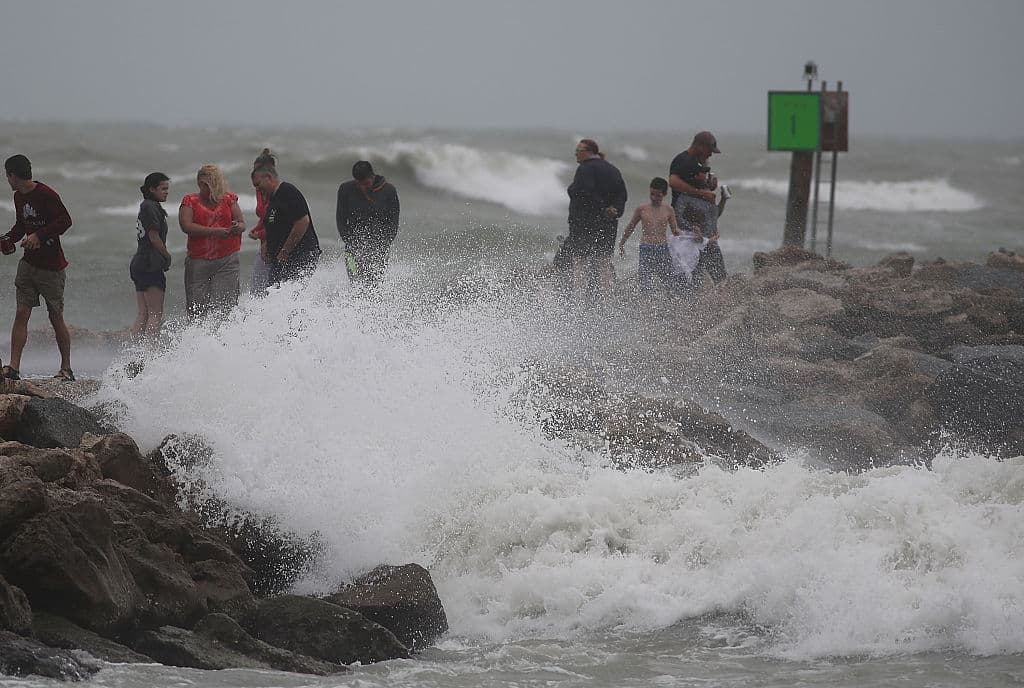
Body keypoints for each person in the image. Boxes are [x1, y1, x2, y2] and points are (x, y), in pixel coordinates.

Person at [1, 154, 74, 381]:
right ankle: (13, 368)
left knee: (55, 317)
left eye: (7, 175)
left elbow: (65, 221)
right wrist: (9, 239)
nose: (7, 179)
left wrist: (39, 236)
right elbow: (22, 225)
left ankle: (66, 368)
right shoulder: (18, 197)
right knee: (22, 312)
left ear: (13, 175)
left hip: (51, 267)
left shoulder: (45, 194)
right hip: (28, 265)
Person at [557, 139, 627, 292]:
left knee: (579, 261)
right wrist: (615, 209)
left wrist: (603, 208)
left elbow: (586, 192)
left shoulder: (585, 168)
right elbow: (622, 194)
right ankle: (605, 301)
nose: (576, 153)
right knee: (604, 262)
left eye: (579, 151)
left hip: (584, 224)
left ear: (589, 152)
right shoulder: (612, 169)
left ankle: (579, 300)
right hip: (608, 224)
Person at [178, 164, 245, 317]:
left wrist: (236, 227)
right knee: (196, 310)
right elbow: (186, 226)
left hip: (227, 260)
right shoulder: (190, 201)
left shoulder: (229, 199)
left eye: (210, 185)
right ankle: (198, 339)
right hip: (198, 261)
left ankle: (225, 339)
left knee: (227, 307)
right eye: (204, 185)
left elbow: (242, 223)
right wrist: (215, 232)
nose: (206, 188)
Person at [251, 157, 321, 285]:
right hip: (280, 260)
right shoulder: (273, 198)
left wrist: (285, 250)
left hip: (299, 255)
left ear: (268, 177)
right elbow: (275, 225)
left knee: (289, 295)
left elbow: (302, 222)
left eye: (258, 184)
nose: (257, 189)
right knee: (272, 294)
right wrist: (266, 243)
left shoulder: (287, 192)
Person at [669, 131, 727, 285]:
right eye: (709, 151)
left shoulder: (698, 164)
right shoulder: (683, 160)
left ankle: (718, 293)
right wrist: (701, 192)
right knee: (692, 272)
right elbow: (673, 181)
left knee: (716, 270)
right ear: (700, 147)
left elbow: (700, 192)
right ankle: (690, 299)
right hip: (688, 229)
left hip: (705, 228)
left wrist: (710, 186)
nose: (710, 155)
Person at [336, 160, 400, 287]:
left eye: (366, 183)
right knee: (355, 282)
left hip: (380, 249)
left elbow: (393, 223)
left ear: (372, 177)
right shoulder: (345, 190)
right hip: (352, 251)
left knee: (375, 284)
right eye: (358, 183)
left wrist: (382, 246)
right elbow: (341, 220)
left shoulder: (389, 191)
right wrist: (351, 244)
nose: (362, 187)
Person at [129, 172, 173, 344]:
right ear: (152, 189)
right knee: (155, 314)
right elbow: (154, 236)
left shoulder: (145, 205)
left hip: (139, 262)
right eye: (163, 189)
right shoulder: (151, 207)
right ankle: (149, 353)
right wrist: (166, 256)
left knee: (143, 313)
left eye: (167, 189)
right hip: (150, 264)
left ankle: (134, 351)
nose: (166, 192)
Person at [618, 177, 681, 289]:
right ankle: (645, 302)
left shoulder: (668, 209)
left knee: (668, 279)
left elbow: (674, 229)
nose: (654, 198)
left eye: (658, 195)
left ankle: (669, 300)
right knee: (644, 279)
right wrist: (622, 243)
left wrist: (678, 232)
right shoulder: (642, 209)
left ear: (664, 194)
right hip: (646, 247)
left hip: (662, 248)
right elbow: (631, 226)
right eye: (652, 194)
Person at [248, 149, 275, 297]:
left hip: (274, 242)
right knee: (258, 288)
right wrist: (257, 229)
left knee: (264, 289)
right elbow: (264, 217)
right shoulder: (260, 190)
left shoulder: (275, 192)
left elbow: (277, 222)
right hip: (264, 241)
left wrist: (261, 234)